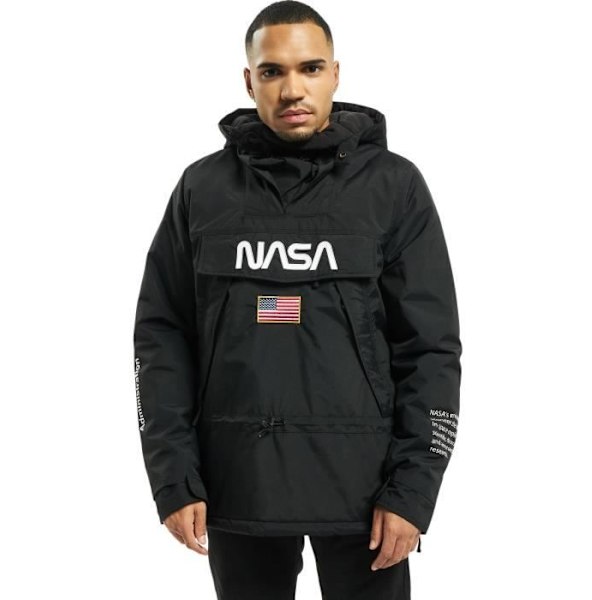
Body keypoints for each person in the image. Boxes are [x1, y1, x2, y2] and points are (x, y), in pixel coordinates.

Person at [132, 1, 462, 598]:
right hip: (237, 486)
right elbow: (162, 337)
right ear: (248, 80)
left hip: (368, 497)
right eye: (272, 71)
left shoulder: (394, 187)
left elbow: (430, 351)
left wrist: (413, 493)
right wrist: (172, 478)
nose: (292, 89)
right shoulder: (202, 189)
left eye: (310, 68)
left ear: (336, 73)